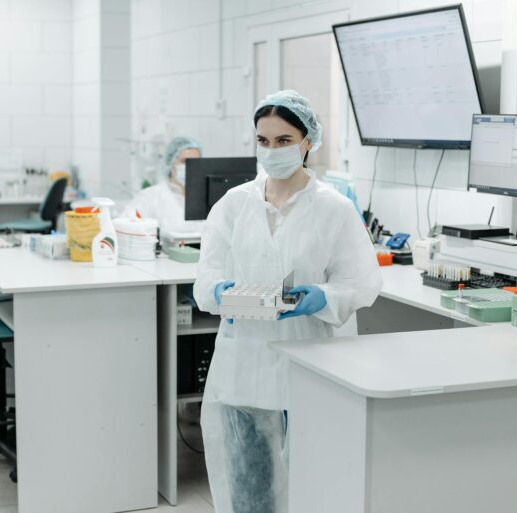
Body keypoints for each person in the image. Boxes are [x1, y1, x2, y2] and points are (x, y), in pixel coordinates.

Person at [193, 90, 383, 513]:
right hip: (245, 358)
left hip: (309, 357)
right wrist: (220, 291)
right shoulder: (234, 204)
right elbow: (205, 277)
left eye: (283, 140)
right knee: (250, 485)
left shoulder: (334, 209)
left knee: (315, 481)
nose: (272, 150)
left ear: (307, 142)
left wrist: (323, 297)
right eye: (263, 141)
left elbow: (363, 282)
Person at [122, 135, 202, 233]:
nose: (191, 166)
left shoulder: (204, 198)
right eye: (185, 161)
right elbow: (125, 227)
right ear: (171, 162)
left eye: (196, 162)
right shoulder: (151, 197)